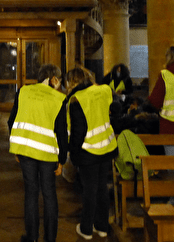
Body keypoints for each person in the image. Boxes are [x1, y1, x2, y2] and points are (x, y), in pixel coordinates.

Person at [8, 64, 67, 242]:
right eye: (59, 80)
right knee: (49, 194)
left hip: (26, 151)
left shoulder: (23, 92)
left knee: (31, 194)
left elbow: (12, 121)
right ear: (54, 79)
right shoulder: (58, 99)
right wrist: (62, 160)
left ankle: (32, 237)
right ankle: (50, 238)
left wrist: (16, 148)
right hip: (48, 154)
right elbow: (62, 132)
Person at [66, 67, 118, 240]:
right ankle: (102, 226)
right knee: (102, 187)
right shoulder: (103, 90)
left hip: (88, 151)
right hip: (107, 147)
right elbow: (115, 108)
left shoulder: (76, 100)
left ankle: (86, 228)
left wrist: (73, 153)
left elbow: (77, 132)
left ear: (72, 82)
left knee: (89, 190)